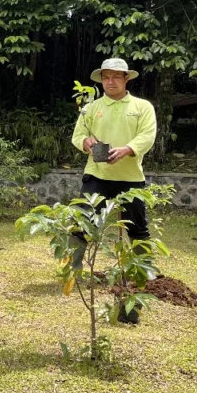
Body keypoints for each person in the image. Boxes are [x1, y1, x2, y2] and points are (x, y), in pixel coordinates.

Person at [70, 58, 158, 273]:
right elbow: (78, 135)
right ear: (101, 80)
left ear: (126, 78)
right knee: (81, 223)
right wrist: (86, 142)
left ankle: (143, 271)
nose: (110, 82)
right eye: (106, 77)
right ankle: (73, 272)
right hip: (97, 175)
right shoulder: (90, 109)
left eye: (116, 77)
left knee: (138, 228)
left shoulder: (142, 107)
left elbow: (147, 136)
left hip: (131, 177)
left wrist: (127, 149)